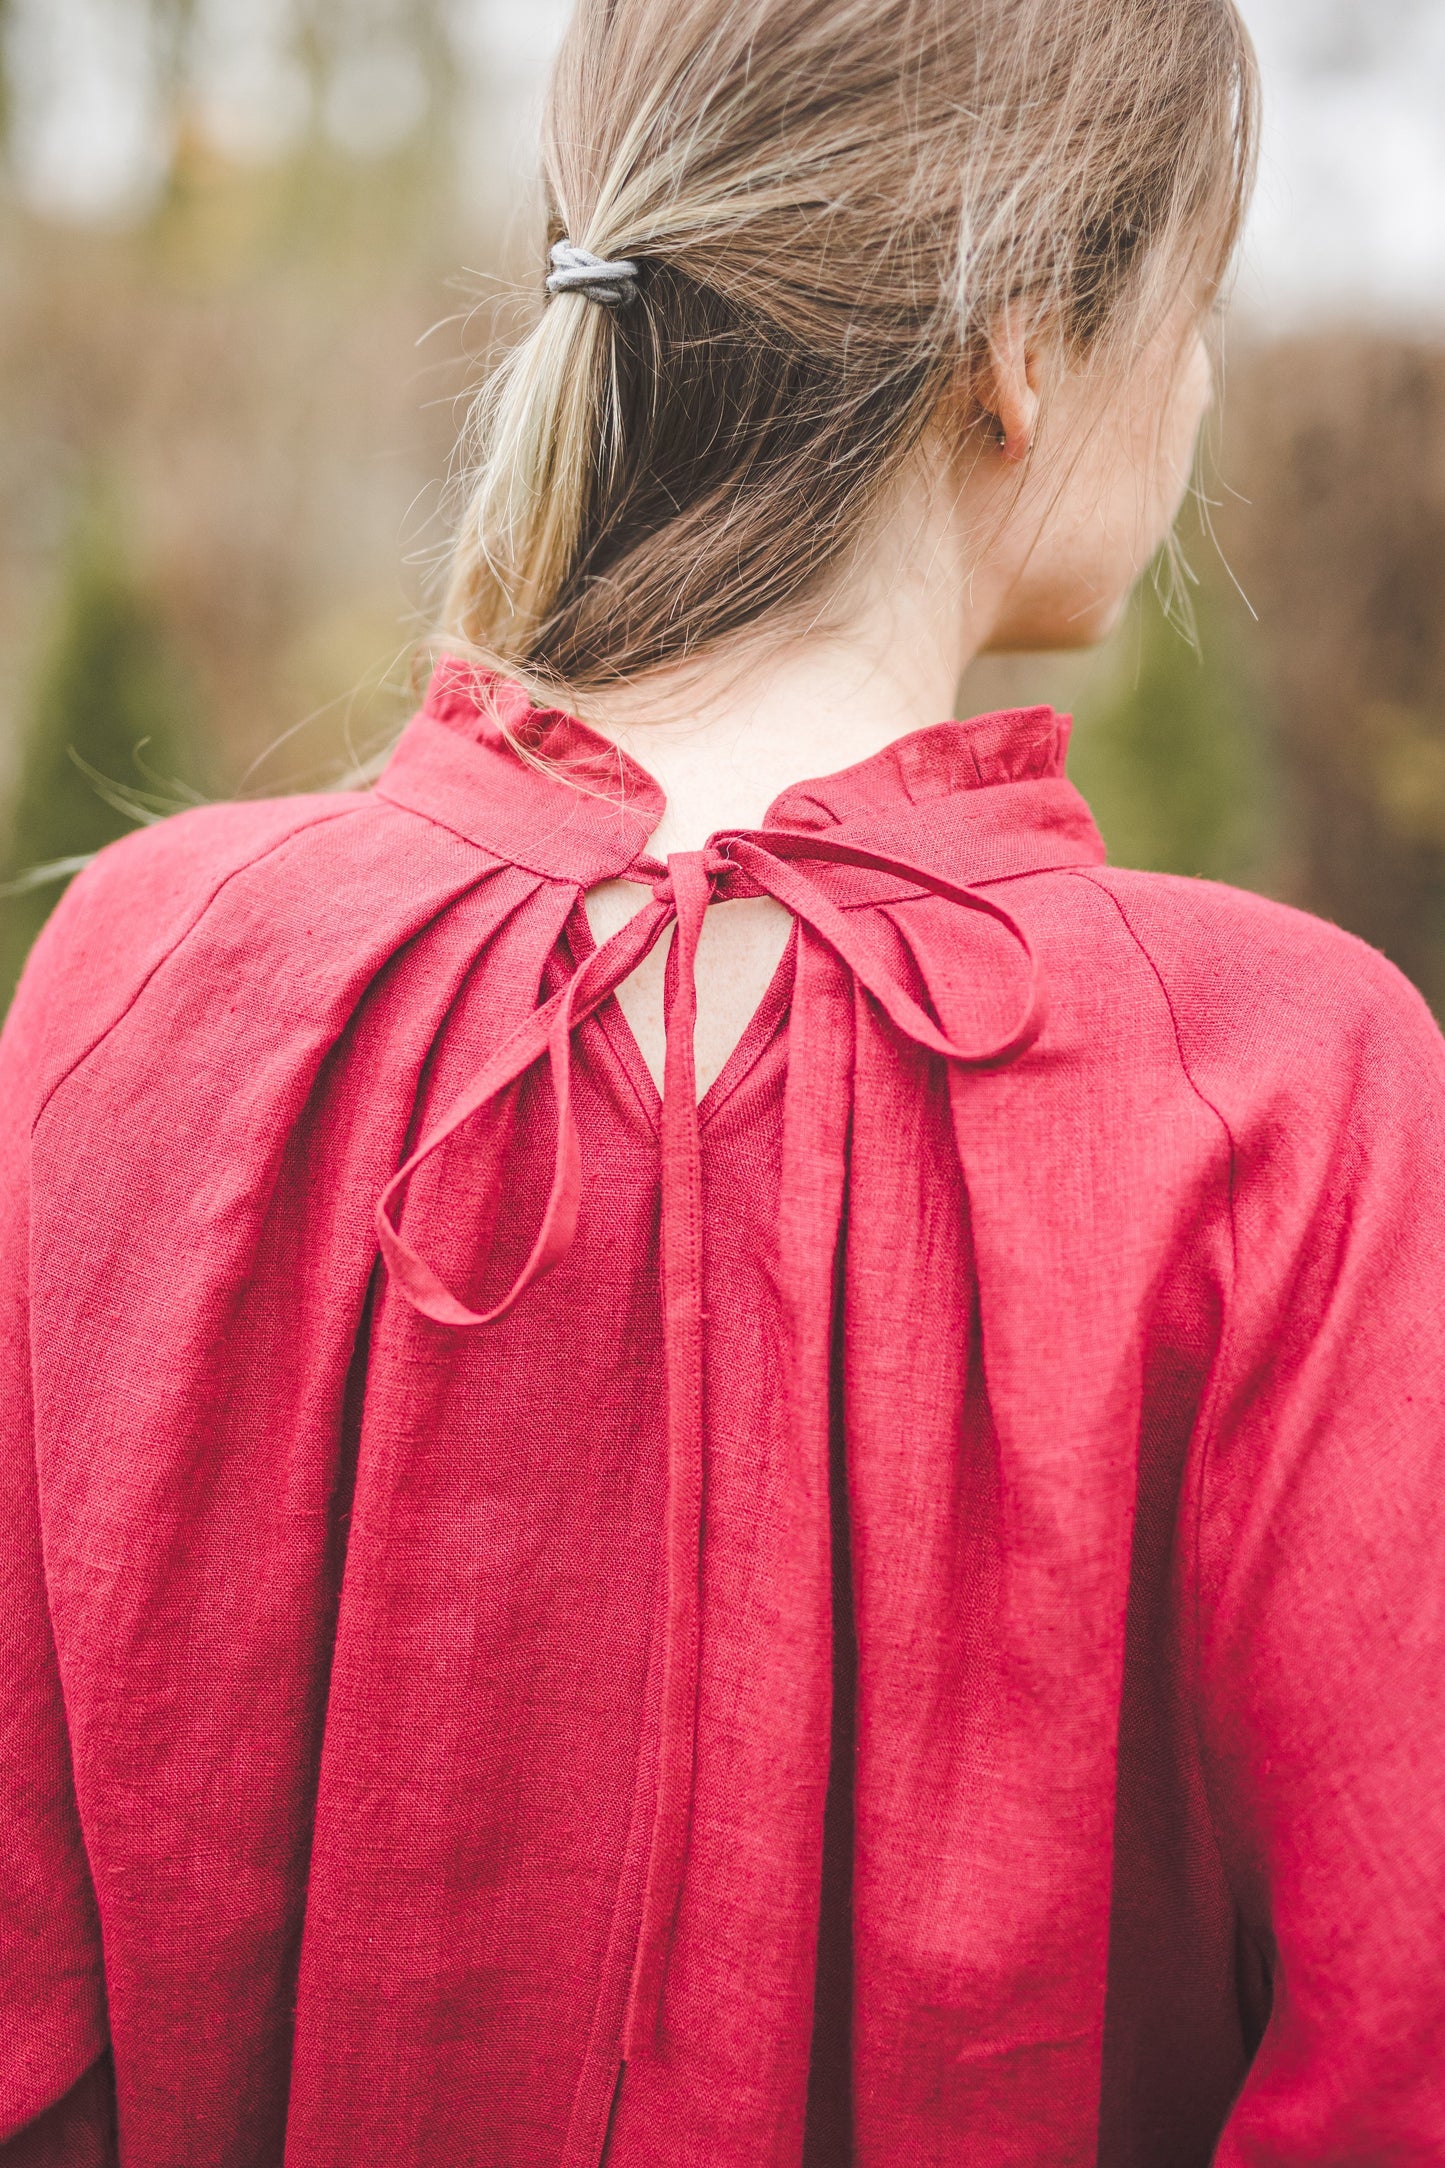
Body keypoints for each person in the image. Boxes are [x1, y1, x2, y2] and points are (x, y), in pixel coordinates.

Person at [3, 0, 1443, 2162]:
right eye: (1199, 297)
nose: (1212, 375)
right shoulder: (1287, 1099)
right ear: (1025, 344)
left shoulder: (145, 973)